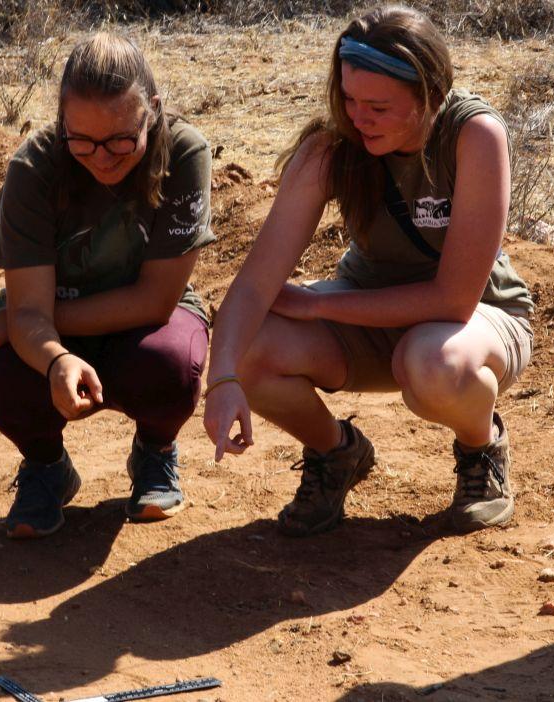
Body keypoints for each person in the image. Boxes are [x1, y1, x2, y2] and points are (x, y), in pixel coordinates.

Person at [203, 5, 533, 536]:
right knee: (249, 348)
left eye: (378, 106)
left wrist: (318, 304)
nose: (359, 118)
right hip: (372, 316)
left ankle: (481, 451)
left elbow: (454, 300)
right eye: (350, 100)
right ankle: (336, 452)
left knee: (432, 360)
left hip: (474, 323)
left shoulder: (474, 135)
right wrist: (220, 381)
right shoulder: (330, 149)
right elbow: (254, 283)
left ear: (429, 93)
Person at [0, 32, 215, 538]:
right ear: (61, 122)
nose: (101, 157)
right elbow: (29, 309)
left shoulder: (184, 152)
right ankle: (46, 466)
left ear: (154, 112)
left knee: (172, 368)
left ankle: (155, 451)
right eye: (80, 140)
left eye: (122, 140)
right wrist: (54, 356)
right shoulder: (32, 169)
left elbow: (156, 300)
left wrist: (16, 323)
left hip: (145, 322)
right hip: (57, 321)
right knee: (10, 376)